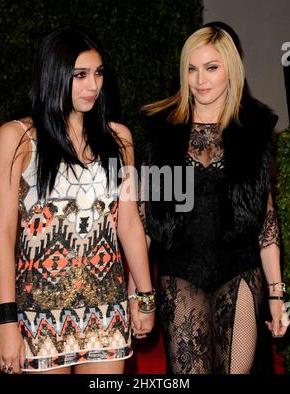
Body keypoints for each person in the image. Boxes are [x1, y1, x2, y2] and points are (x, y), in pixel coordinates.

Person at [0, 25, 155, 374]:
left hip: (106, 311)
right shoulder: (16, 138)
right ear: (55, 75)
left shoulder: (118, 138)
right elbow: (2, 233)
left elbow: (128, 222)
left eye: (97, 74)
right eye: (80, 75)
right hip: (35, 314)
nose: (93, 85)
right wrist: (5, 319)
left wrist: (145, 296)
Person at [139, 26, 288, 374]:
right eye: (191, 69)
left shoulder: (253, 130)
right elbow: (147, 221)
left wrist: (277, 295)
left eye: (211, 67)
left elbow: (265, 220)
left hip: (240, 272)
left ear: (231, 69)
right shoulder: (163, 132)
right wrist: (139, 294)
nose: (200, 80)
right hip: (181, 273)